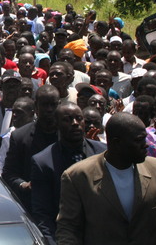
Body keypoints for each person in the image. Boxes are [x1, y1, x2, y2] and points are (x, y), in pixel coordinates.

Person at [56, 113, 156, 244]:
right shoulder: (77, 177)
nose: (146, 145)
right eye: (138, 140)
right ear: (116, 143)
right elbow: (68, 229)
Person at [30, 103, 106, 241]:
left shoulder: (103, 152)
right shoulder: (43, 162)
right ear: (57, 124)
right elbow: (42, 213)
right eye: (68, 119)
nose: (75, 123)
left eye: (79, 118)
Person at [2, 85, 60, 212]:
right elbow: (9, 173)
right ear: (36, 106)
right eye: (45, 105)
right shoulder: (20, 137)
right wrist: (24, 185)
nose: (49, 110)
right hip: (32, 206)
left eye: (53, 105)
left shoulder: (67, 134)